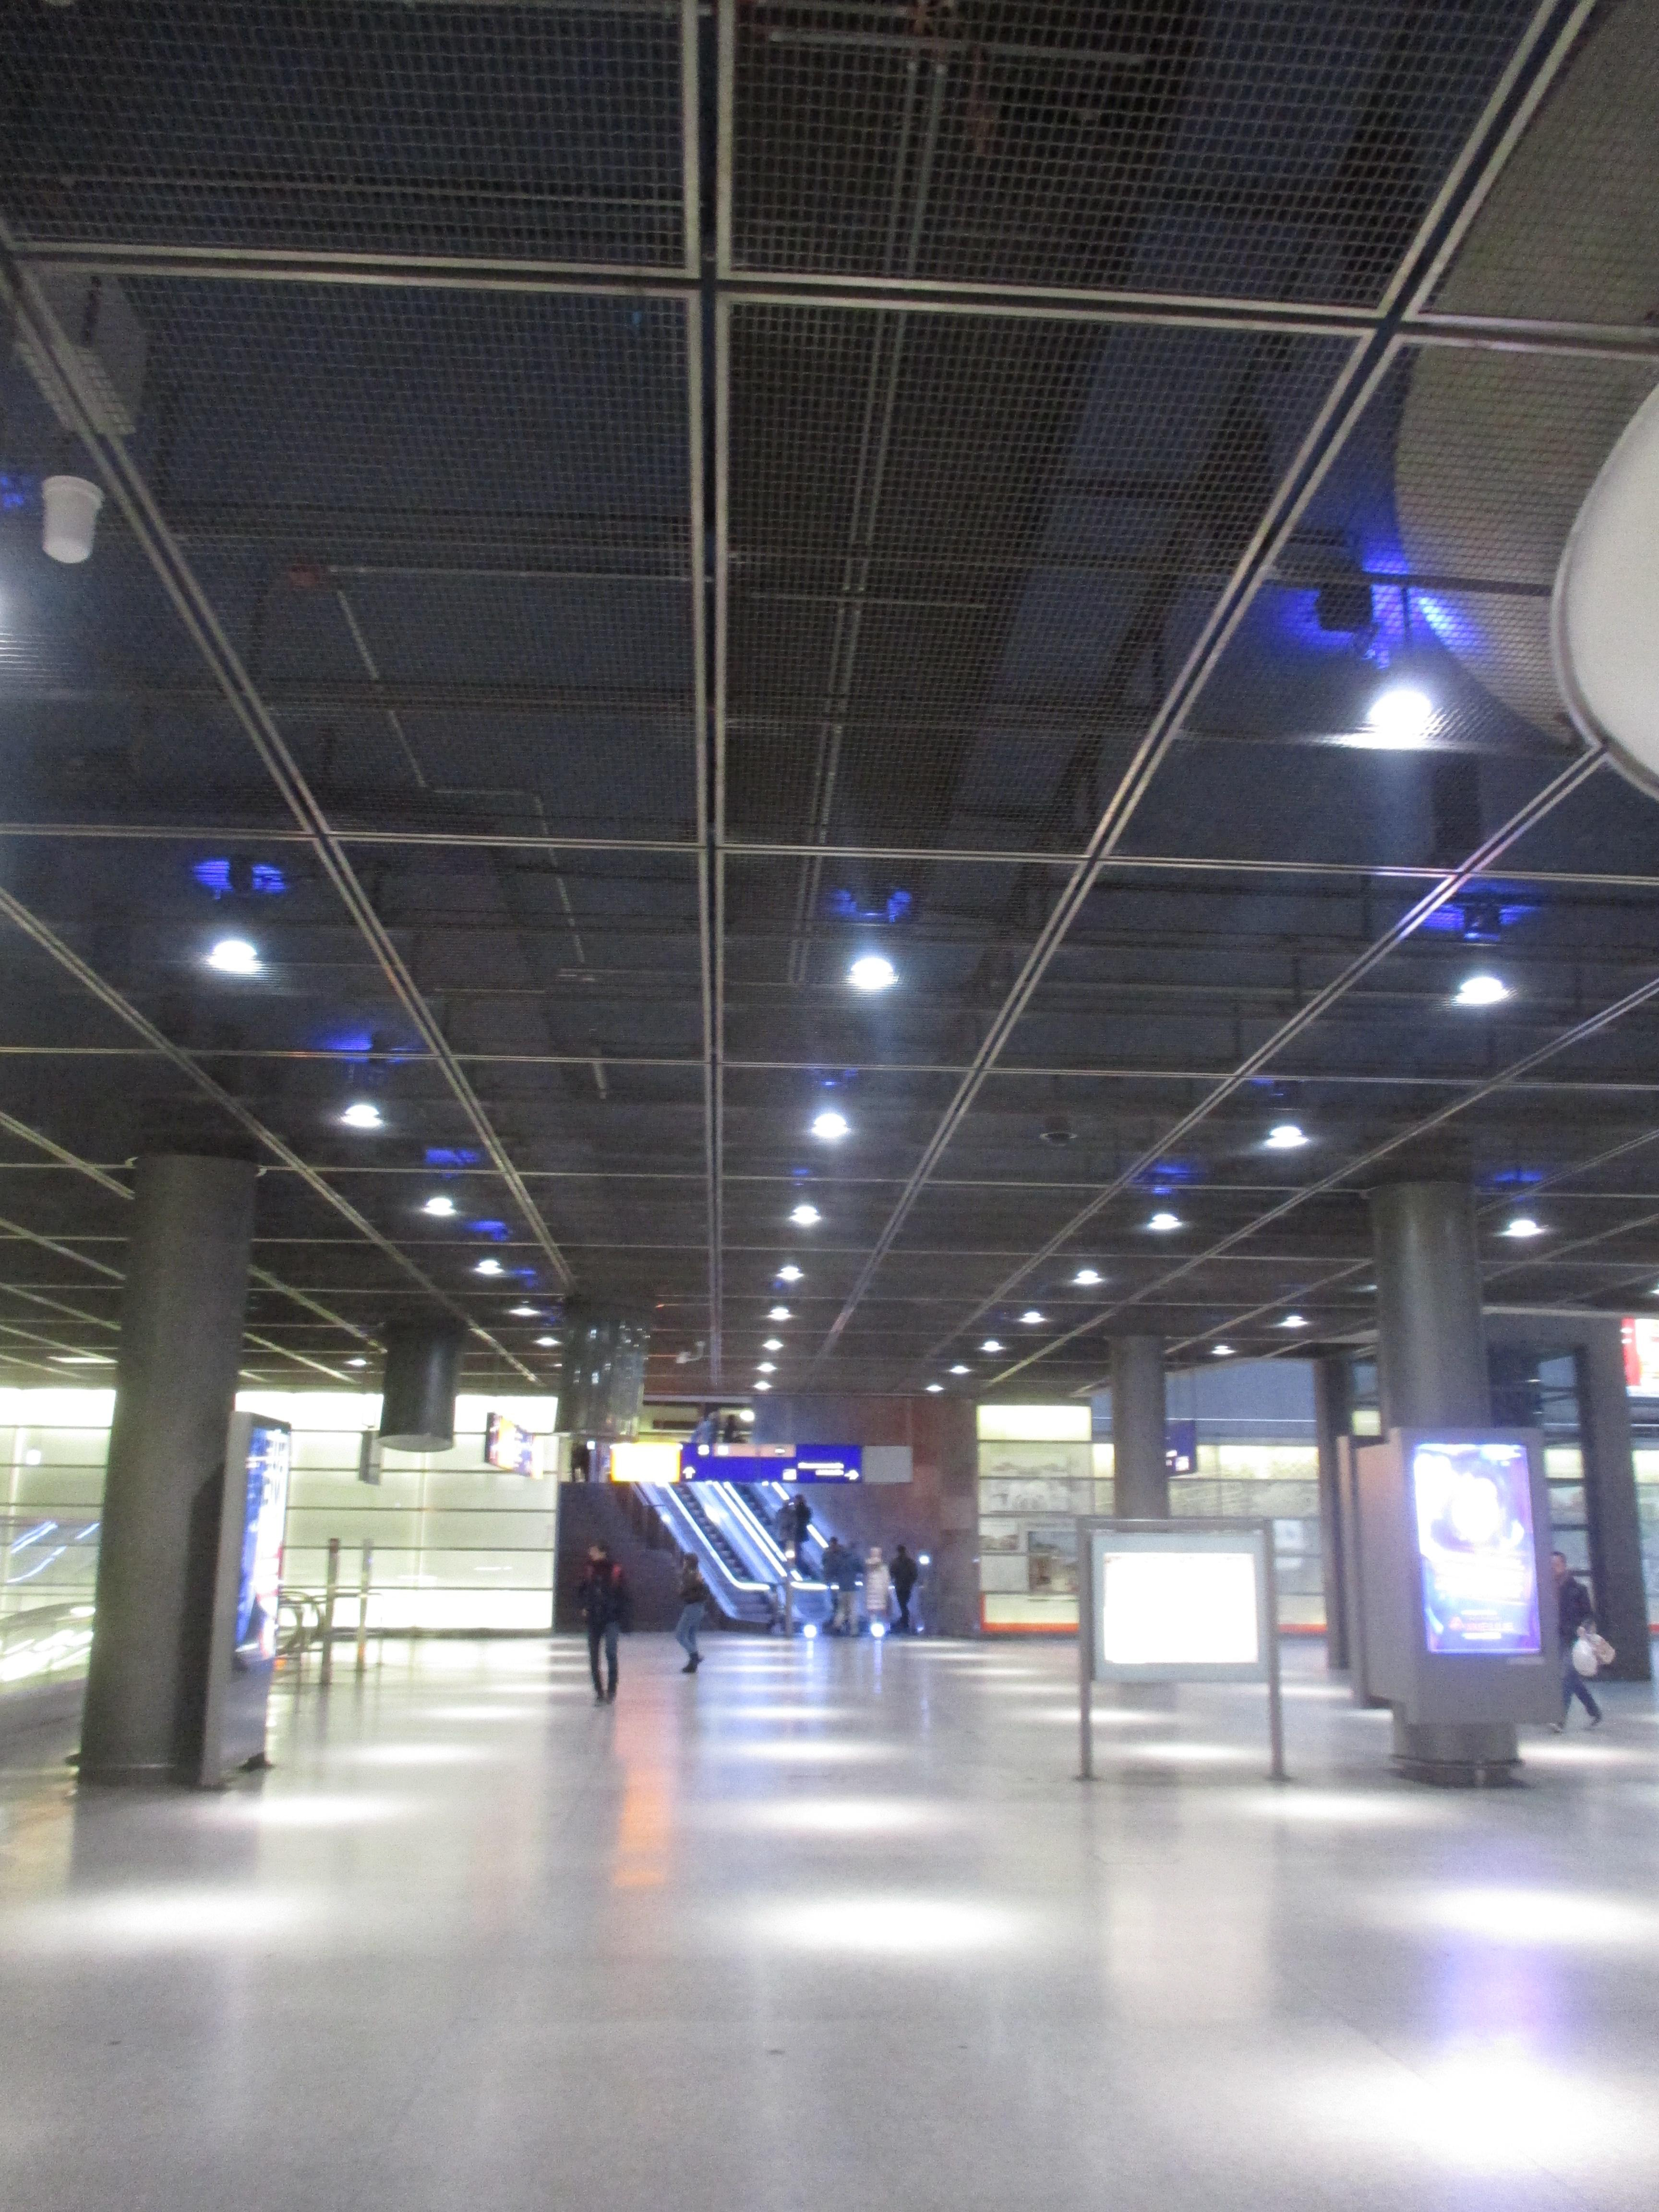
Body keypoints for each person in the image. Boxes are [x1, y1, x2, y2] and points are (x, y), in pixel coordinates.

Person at [1551, 1550, 1603, 1731]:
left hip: (1573, 1638)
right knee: (1572, 1678)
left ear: (1564, 1566)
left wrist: (1583, 1628)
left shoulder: (1578, 1590)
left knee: (1567, 1676)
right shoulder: (1545, 1590)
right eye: (1550, 1565)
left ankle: (1560, 1718)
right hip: (1554, 1638)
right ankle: (1594, 1711)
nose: (1553, 1568)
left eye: (1556, 1564)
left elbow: (1589, 1615)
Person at [578, 1542, 627, 1703]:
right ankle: (599, 1692)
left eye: (594, 1551)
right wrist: (584, 1606)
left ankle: (611, 1690)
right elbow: (582, 1590)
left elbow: (623, 1594)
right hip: (594, 1618)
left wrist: (620, 1614)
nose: (590, 1553)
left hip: (611, 1618)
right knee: (594, 1657)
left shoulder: (615, 1570)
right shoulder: (589, 1569)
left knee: (611, 1652)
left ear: (603, 1553)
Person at [675, 1551, 710, 1673]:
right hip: (699, 1607)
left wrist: (681, 1591)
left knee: (680, 1635)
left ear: (688, 1562)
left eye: (685, 1561)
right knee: (691, 1635)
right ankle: (693, 1664)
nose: (683, 1563)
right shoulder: (697, 1574)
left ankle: (695, 1656)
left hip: (692, 1607)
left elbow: (685, 1590)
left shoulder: (690, 1575)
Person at [827, 1536, 859, 1635]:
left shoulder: (840, 1558)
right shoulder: (854, 1558)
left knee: (842, 1609)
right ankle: (854, 1630)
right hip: (852, 1587)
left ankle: (837, 1626)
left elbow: (834, 1570)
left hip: (842, 1587)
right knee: (852, 1609)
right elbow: (861, 1568)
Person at [890, 1543, 917, 1633]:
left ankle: (904, 1620)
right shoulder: (910, 1562)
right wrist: (911, 1583)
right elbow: (915, 1574)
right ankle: (905, 1620)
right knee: (904, 1604)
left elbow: (892, 1574)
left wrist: (894, 1581)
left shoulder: (895, 1562)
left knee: (902, 1604)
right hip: (908, 1587)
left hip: (899, 1587)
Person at [863, 1545, 890, 1633]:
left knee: (872, 1610)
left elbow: (866, 1580)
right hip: (880, 1591)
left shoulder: (868, 1568)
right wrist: (886, 1590)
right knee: (883, 1610)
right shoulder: (884, 1568)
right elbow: (887, 1580)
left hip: (871, 1591)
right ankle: (886, 1627)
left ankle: (873, 1626)